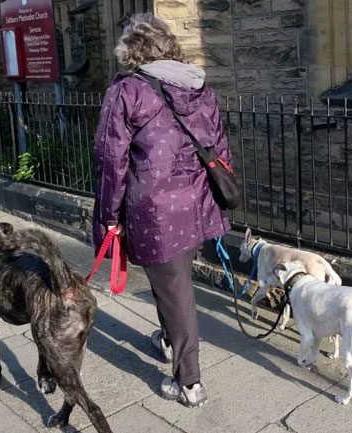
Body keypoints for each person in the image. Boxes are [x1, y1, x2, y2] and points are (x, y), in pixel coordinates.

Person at [91, 13, 232, 408]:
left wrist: (107, 215)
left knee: (177, 290)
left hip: (155, 210)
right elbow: (220, 149)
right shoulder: (199, 87)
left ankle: (190, 383)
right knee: (171, 281)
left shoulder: (128, 91)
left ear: (132, 52)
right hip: (196, 204)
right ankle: (169, 341)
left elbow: (109, 160)